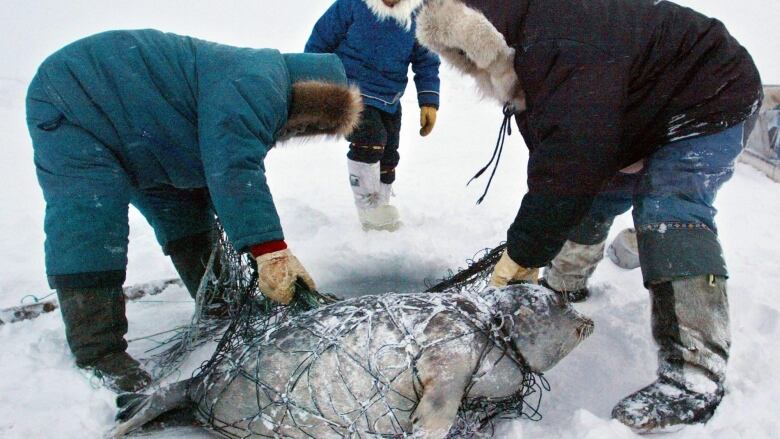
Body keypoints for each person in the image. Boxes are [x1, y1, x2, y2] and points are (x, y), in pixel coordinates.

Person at [409, 0, 763, 432]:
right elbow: (558, 161)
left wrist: (524, 254)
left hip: (712, 91)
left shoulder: (558, 43)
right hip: (642, 109)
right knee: (593, 197)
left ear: (485, 36)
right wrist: (537, 246)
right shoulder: (532, 54)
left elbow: (570, 162)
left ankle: (695, 378)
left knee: (667, 205)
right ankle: (566, 285)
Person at [26, 29, 362, 392]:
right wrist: (269, 250)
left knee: (185, 213)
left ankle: (221, 305)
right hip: (76, 102)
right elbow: (233, 167)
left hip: (147, 135)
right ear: (316, 101)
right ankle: (98, 351)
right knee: (90, 220)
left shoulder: (256, 80)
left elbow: (217, 166)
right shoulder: (259, 82)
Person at [305, 0, 440, 231]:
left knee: (389, 154)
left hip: (389, 98)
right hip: (350, 92)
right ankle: (368, 210)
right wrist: (310, 85)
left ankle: (382, 208)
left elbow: (426, 60)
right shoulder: (352, 5)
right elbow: (319, 42)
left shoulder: (418, 14)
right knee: (370, 141)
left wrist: (429, 101)